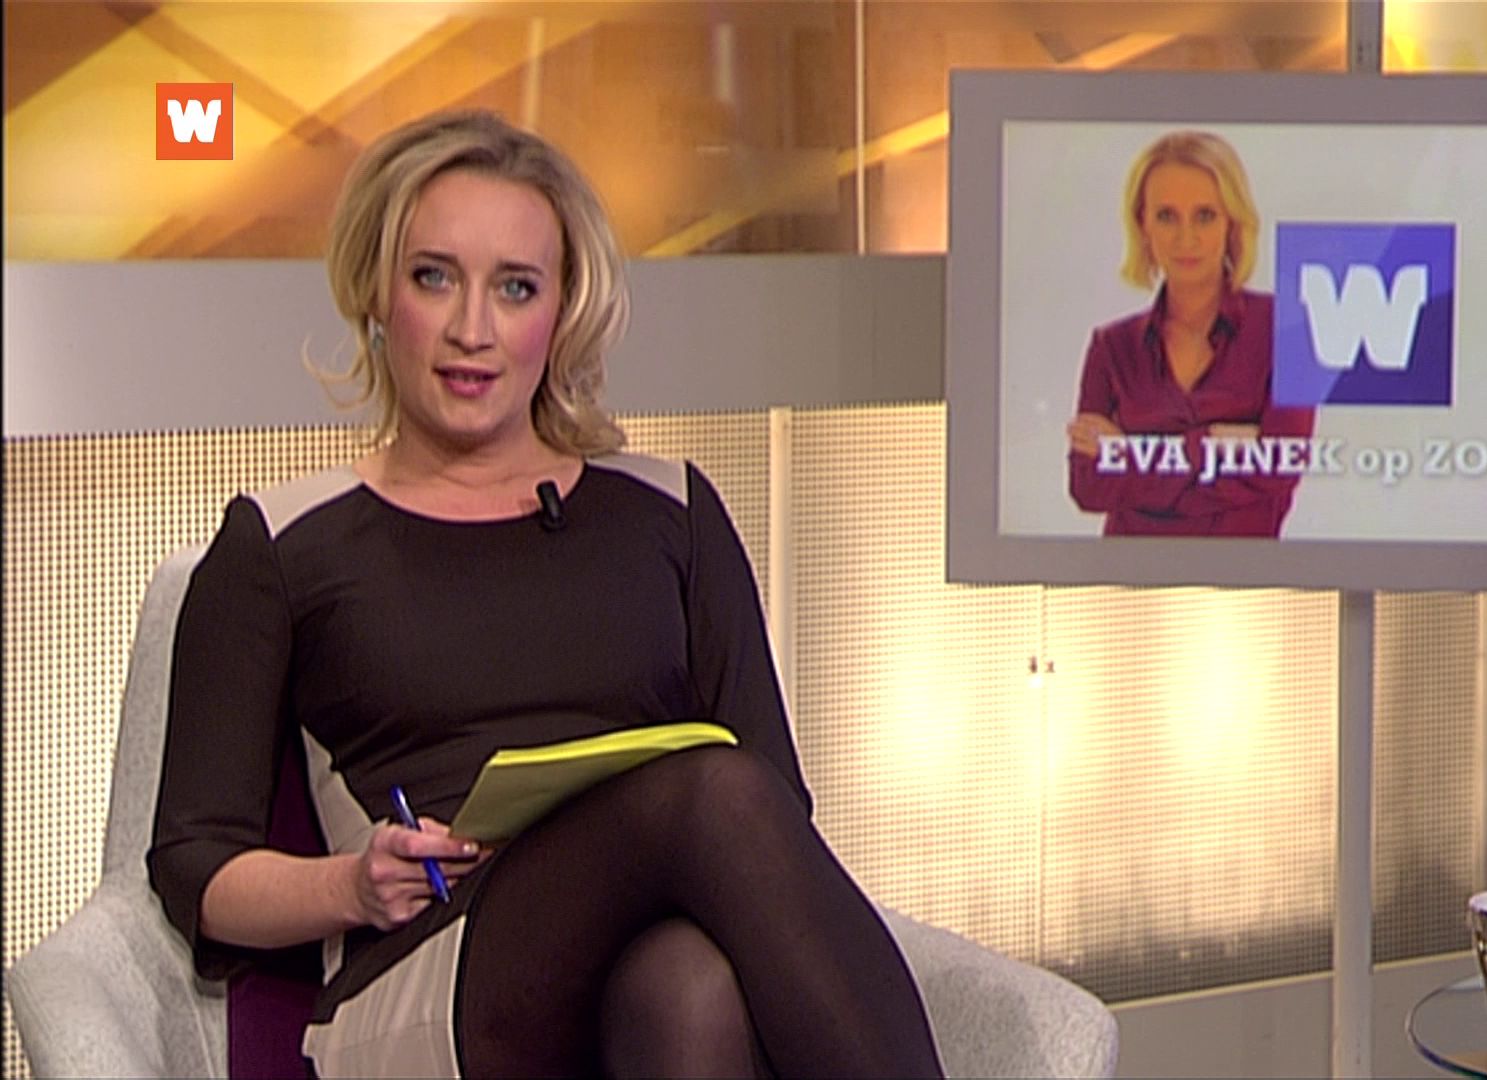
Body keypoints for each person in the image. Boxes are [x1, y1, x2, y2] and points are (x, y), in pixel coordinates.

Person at [147, 110, 944, 1079]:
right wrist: (352, 886)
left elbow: (779, 805)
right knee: (714, 791)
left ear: (562, 312)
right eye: (433, 277)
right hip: (429, 974)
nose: (471, 329)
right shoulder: (280, 542)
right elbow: (196, 865)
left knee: (690, 984)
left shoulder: (672, 512)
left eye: (515, 287)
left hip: (642, 956)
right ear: (375, 292)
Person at [1066, 130, 1315, 536]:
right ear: (1143, 224)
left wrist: (1131, 456)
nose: (1186, 238)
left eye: (1205, 216)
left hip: (1245, 572)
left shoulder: (1288, 329)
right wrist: (1210, 445)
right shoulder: (1111, 347)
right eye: (1167, 216)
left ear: (1232, 222)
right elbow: (1088, 488)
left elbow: (1279, 469)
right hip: (1129, 570)